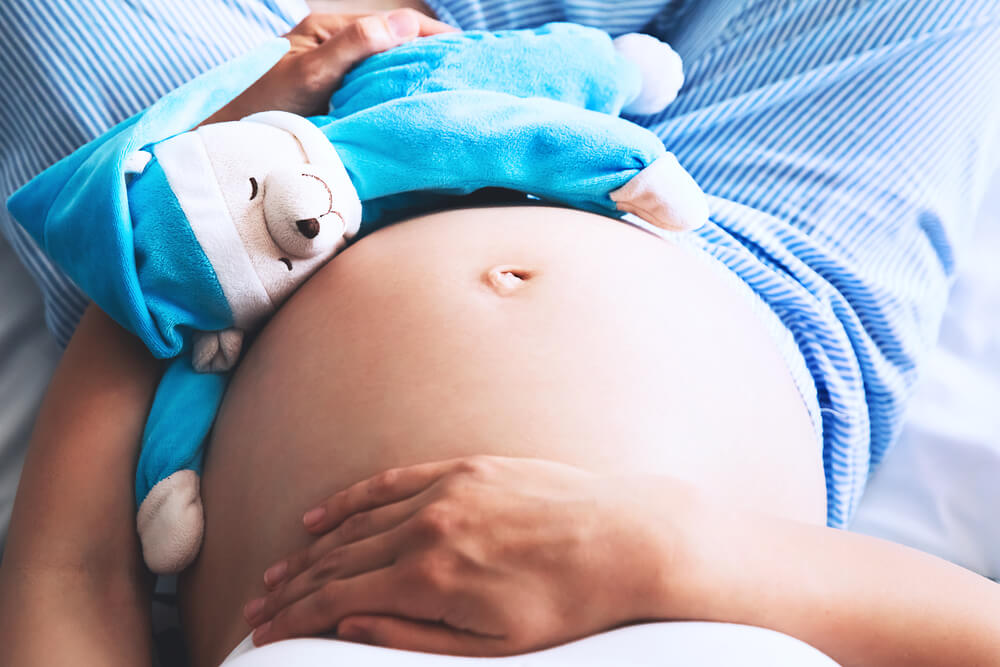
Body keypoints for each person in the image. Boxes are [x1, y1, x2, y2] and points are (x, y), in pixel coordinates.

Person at [1, 1, 999, 666]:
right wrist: (659, 556)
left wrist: (174, 225)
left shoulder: (210, 208)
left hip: (257, 234)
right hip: (742, 257)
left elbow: (71, 578)